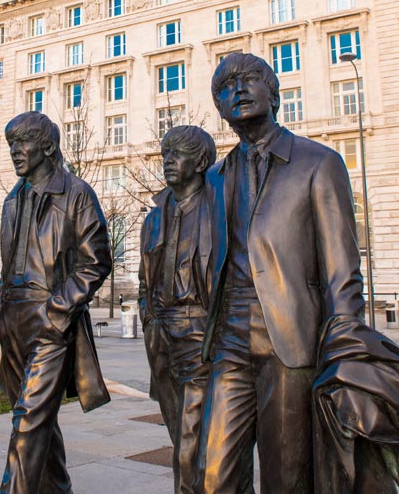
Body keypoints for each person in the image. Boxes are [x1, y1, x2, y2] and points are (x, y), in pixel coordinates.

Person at [199, 53, 366, 493]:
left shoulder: (319, 162)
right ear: (219, 107)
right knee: (213, 474)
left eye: (249, 79)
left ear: (274, 93)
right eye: (225, 85)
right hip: (229, 339)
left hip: (291, 338)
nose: (237, 89)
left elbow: (342, 271)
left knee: (286, 476)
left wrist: (346, 349)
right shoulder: (215, 176)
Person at [0, 111, 112, 494]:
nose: (15, 152)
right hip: (12, 319)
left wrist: (58, 310)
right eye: (11, 144)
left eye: (22, 143)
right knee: (35, 418)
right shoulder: (13, 200)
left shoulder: (75, 193)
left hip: (50, 317)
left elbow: (95, 261)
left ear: (47, 147)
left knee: (28, 419)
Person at [139, 125, 229, 494]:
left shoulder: (219, 210)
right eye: (165, 154)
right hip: (162, 337)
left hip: (202, 334)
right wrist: (148, 317)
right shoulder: (154, 216)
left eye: (178, 154)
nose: (168, 161)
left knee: (191, 445)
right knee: (182, 439)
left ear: (202, 161)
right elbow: (146, 279)